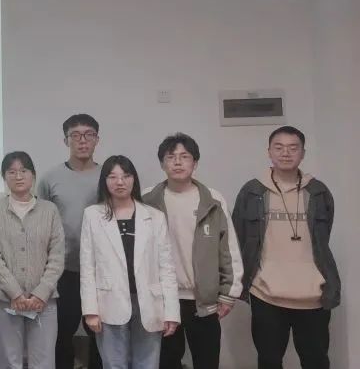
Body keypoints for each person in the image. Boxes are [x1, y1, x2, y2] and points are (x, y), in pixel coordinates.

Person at [232, 126, 339, 369]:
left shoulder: (318, 191)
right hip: (265, 293)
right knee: (269, 361)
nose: (286, 153)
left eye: (293, 148)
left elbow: (323, 238)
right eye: (279, 147)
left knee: (316, 361)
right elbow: (239, 236)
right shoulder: (252, 191)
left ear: (303, 153)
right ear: (269, 152)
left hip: (314, 295)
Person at [142, 133, 243, 369]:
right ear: (162, 164)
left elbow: (228, 248)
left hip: (204, 300)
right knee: (166, 362)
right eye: (171, 157)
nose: (177, 162)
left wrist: (229, 293)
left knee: (206, 361)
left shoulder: (213, 199)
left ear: (195, 163)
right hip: (164, 299)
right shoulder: (147, 200)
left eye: (184, 156)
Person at [80, 156, 179, 369]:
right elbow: (87, 267)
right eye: (112, 177)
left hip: (149, 302)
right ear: (104, 181)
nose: (120, 182)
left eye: (126, 176)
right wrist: (90, 310)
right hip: (109, 302)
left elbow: (167, 268)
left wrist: (172, 312)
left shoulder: (154, 216)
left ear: (134, 179)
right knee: (113, 364)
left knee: (148, 364)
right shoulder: (92, 215)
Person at [0, 151, 64, 369]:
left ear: (33, 175)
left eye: (24, 171)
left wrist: (41, 293)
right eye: (12, 172)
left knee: (44, 362)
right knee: (9, 362)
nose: (18, 176)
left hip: (44, 302)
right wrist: (15, 293)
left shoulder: (49, 210)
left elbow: (57, 256)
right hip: (4, 301)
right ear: (4, 177)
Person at [38, 114, 104, 369]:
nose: (82, 141)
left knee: (100, 333)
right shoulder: (50, 178)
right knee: (61, 334)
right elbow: (41, 223)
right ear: (66, 140)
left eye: (89, 135)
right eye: (75, 135)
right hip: (62, 270)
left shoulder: (109, 176)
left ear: (97, 139)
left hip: (100, 270)